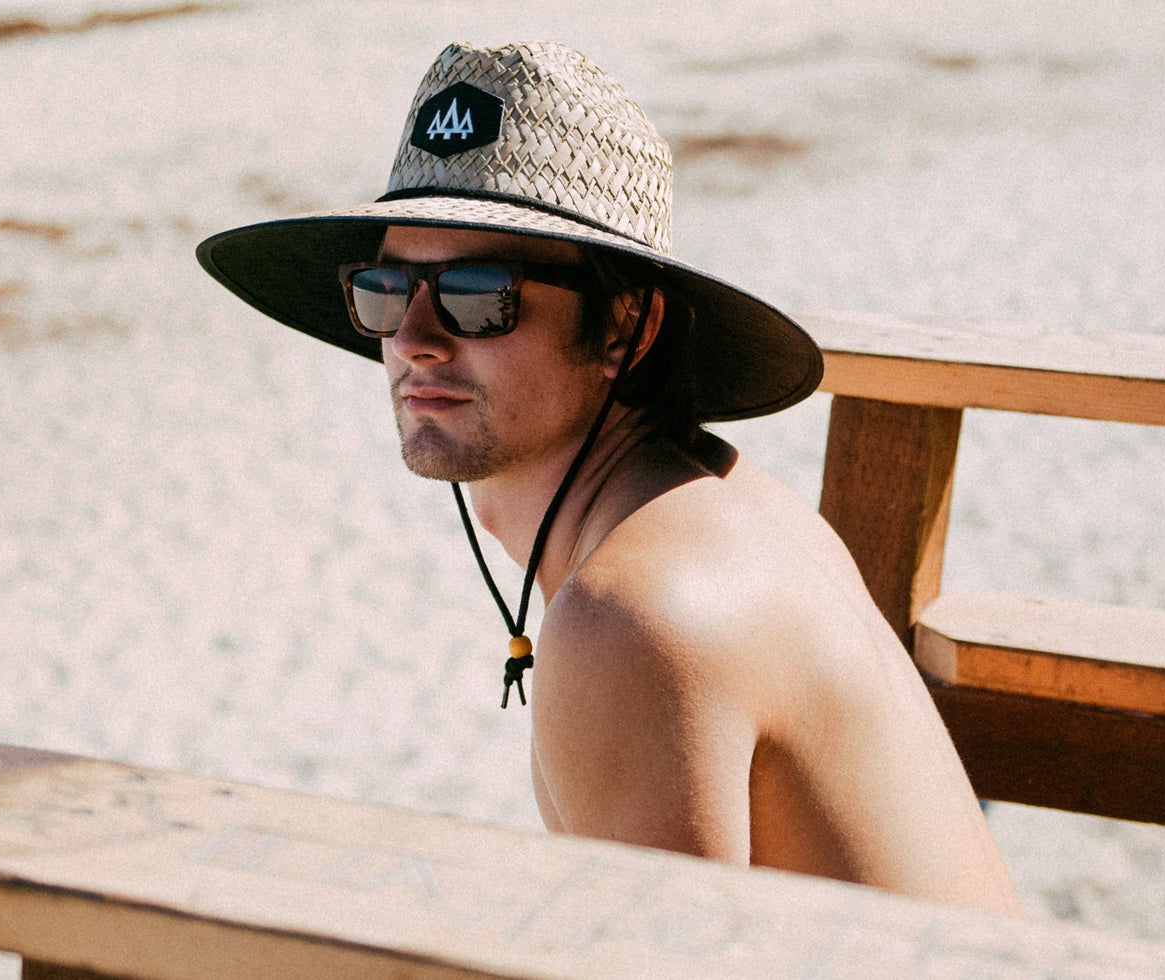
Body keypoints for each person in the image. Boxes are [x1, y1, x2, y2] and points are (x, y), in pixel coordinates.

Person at [190, 41, 1023, 912]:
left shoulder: (637, 611)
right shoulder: (714, 503)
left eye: (481, 294)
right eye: (386, 289)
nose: (416, 337)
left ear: (625, 327)